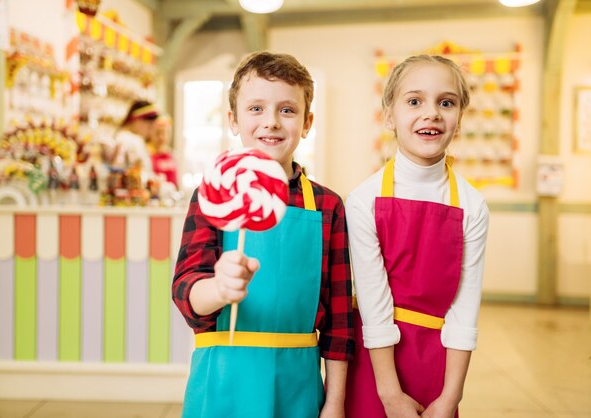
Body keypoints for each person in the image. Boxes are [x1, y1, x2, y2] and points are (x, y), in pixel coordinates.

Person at [173, 51, 354, 418]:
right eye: (255, 108)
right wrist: (220, 289)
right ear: (233, 120)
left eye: (287, 110)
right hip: (222, 377)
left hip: (298, 381)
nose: (271, 122)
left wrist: (334, 402)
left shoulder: (327, 206)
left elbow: (338, 319)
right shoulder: (214, 195)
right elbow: (186, 293)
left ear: (307, 123)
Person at [344, 55, 489, 418]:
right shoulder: (364, 200)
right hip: (377, 367)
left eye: (446, 102)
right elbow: (375, 311)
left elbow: (464, 310)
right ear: (389, 116)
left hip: (440, 365)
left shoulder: (473, 205)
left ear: (459, 118)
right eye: (414, 101)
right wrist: (391, 396)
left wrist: (450, 397)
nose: (432, 113)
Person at [106, 100, 158, 174]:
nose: (150, 132)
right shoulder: (129, 139)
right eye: (149, 126)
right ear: (137, 120)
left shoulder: (123, 137)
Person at [147, 114, 179, 189]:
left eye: (165, 133)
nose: (162, 137)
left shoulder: (173, 154)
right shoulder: (147, 154)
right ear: (151, 133)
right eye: (158, 133)